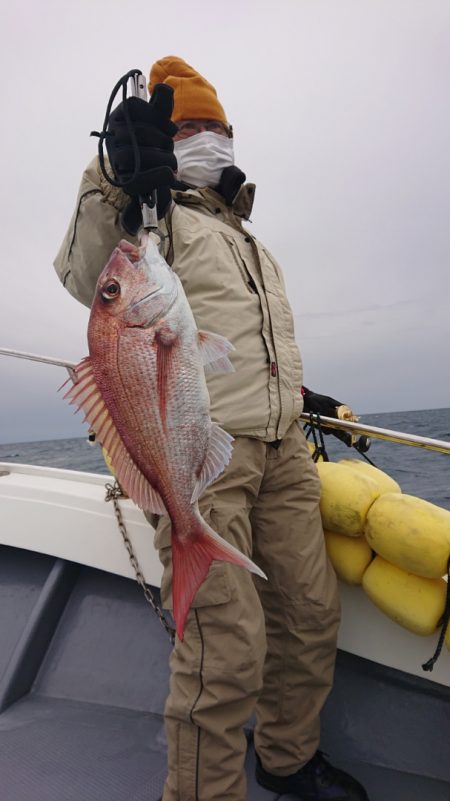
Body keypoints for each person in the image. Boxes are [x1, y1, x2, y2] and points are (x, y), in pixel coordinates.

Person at [54, 56, 368, 801]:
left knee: (310, 611)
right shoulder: (153, 218)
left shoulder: (252, 242)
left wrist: (297, 392)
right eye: (186, 128)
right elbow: (87, 274)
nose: (203, 139)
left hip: (283, 445)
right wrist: (112, 175)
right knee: (224, 646)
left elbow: (244, 342)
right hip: (201, 457)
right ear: (165, 142)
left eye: (212, 127)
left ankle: (288, 758)